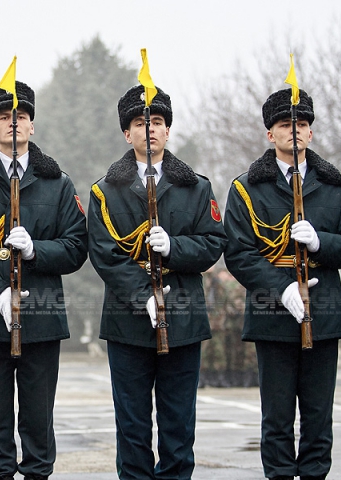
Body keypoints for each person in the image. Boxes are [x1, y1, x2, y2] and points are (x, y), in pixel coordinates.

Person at [224, 88, 341, 480]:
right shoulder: (245, 189)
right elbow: (239, 254)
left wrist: (322, 241)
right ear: (270, 134)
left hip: (323, 313)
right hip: (273, 315)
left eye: (302, 124)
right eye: (285, 125)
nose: (295, 131)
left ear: (310, 132)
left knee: (319, 414)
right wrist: (282, 288)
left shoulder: (336, 186)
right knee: (277, 415)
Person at [0, 81, 88, 480]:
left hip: (40, 315)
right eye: (4, 117)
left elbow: (77, 246)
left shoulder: (57, 182)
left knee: (39, 418)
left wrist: (37, 250)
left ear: (32, 126)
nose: (13, 123)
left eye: (20, 117)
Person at [88, 85, 227, 480]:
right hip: (127, 323)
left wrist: (175, 247)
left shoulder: (196, 187)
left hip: (183, 318)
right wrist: (141, 297)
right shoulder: (105, 191)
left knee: (179, 425)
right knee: (132, 427)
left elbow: (214, 242)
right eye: (139, 123)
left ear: (167, 131)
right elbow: (105, 254)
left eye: (158, 122)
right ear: (126, 133)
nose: (149, 129)